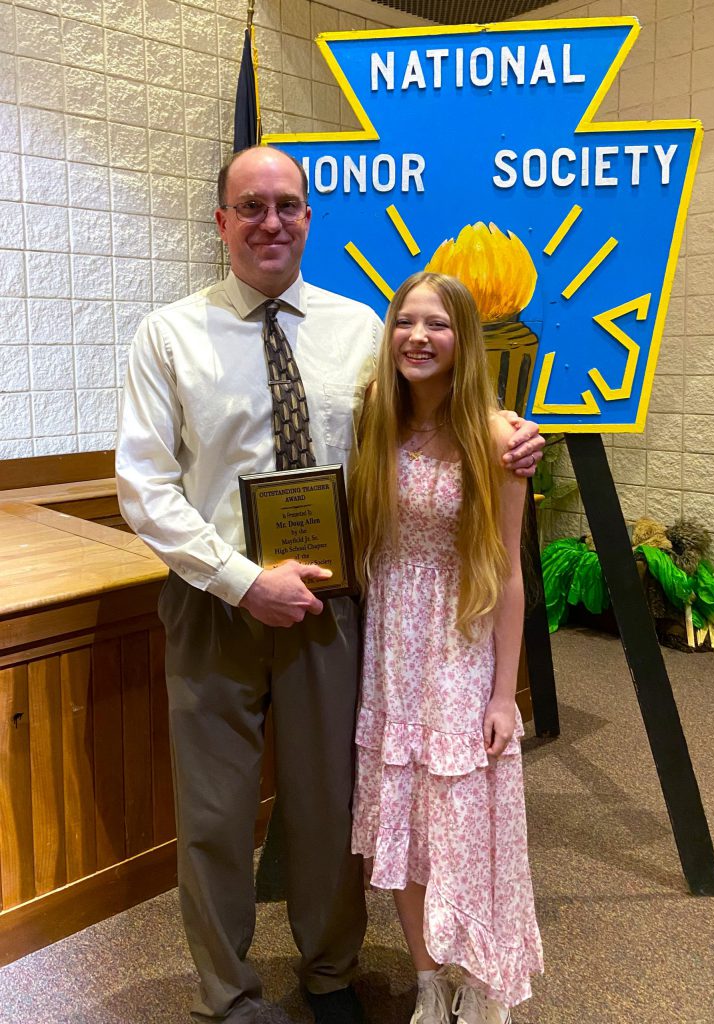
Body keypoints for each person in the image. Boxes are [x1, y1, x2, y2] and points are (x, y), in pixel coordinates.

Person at [115, 146, 544, 1024]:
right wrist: (242, 580)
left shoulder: (363, 330)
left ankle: (329, 974)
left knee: (329, 808)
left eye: (288, 205)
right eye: (251, 207)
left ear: (309, 217)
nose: (271, 222)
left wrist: (510, 435)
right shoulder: (168, 335)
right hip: (215, 604)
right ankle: (229, 995)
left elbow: (434, 415)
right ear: (222, 222)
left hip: (338, 610)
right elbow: (144, 488)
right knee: (215, 816)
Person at [350, 272, 543, 1024]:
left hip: (459, 639)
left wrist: (504, 692)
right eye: (406, 322)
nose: (419, 337)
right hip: (390, 642)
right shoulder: (375, 414)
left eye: (438, 325)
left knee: (460, 820)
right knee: (401, 820)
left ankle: (475, 965)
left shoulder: (496, 435)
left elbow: (505, 568)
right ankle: (428, 980)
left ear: (465, 339)